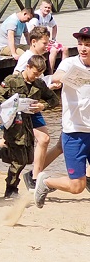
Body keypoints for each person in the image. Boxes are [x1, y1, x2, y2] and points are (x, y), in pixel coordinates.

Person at [0, 54, 57, 198]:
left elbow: (54, 100)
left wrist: (42, 106)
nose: (36, 76)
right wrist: (11, 105)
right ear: (28, 67)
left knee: (28, 158)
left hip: (28, 123)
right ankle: (11, 189)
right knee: (20, 159)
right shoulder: (12, 80)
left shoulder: (39, 84)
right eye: (35, 73)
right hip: (13, 123)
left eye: (39, 74)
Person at [34, 27, 90, 209]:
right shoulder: (70, 63)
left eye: (87, 44)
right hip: (75, 131)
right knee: (77, 187)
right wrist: (70, 78)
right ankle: (46, 182)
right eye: (80, 44)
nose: (83, 48)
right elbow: (56, 76)